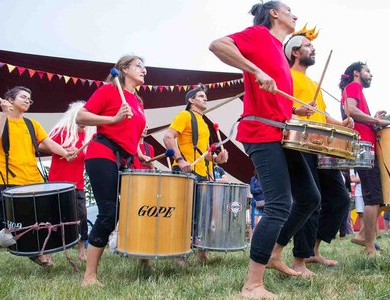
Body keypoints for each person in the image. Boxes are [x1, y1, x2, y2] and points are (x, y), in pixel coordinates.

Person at [210, 2, 322, 298]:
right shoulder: (259, 35)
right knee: (278, 205)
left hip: (282, 132)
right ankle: (252, 284)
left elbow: (274, 100)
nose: (294, 15)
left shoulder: (278, 50)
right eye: (289, 9)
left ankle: (274, 253)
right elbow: (217, 45)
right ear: (274, 14)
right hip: (260, 132)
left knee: (310, 197)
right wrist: (254, 69)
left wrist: (297, 109)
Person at [281, 30, 354, 275]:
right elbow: (279, 109)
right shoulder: (286, 76)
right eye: (307, 46)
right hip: (300, 145)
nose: (313, 49)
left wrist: (341, 124)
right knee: (310, 201)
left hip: (322, 145)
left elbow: (322, 115)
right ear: (294, 51)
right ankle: (299, 260)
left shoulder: (314, 84)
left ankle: (314, 251)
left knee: (341, 199)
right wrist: (295, 110)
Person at [76, 55, 150, 287]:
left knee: (137, 209)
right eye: (139, 65)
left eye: (144, 67)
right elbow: (81, 116)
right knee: (109, 212)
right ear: (124, 69)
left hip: (124, 160)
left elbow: (131, 133)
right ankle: (89, 277)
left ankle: (144, 261)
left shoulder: (138, 101)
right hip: (102, 154)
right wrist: (113, 117)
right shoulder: (108, 91)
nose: (144, 70)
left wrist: (138, 152)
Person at [0, 86, 74, 266]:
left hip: (32, 181)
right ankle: (37, 255)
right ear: (10, 99)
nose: (27, 101)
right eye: (23, 97)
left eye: (29, 99)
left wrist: (66, 152)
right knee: (5, 224)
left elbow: (48, 143)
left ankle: (38, 253)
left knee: (36, 222)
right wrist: (3, 115)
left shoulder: (32, 124)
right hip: (4, 180)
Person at [163, 84, 228, 263]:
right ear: (191, 100)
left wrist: (217, 159)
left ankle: (202, 253)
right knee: (185, 214)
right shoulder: (185, 115)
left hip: (202, 173)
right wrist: (180, 160)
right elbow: (168, 136)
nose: (205, 98)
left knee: (202, 214)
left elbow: (204, 153)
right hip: (186, 171)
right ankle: (179, 255)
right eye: (200, 96)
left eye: (205, 96)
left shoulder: (204, 123)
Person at [339, 62, 390, 256]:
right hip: (364, 149)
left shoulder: (357, 90)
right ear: (357, 72)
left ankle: (365, 235)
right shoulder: (353, 87)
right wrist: (377, 121)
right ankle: (370, 247)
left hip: (366, 147)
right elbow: (351, 111)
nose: (370, 74)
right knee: (373, 197)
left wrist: (372, 119)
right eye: (367, 71)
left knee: (377, 196)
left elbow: (359, 118)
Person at [42, 101, 96, 261]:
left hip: (77, 183)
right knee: (54, 219)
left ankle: (81, 252)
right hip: (57, 183)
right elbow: (42, 147)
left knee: (82, 217)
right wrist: (64, 150)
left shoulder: (89, 136)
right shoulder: (62, 131)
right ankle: (49, 252)